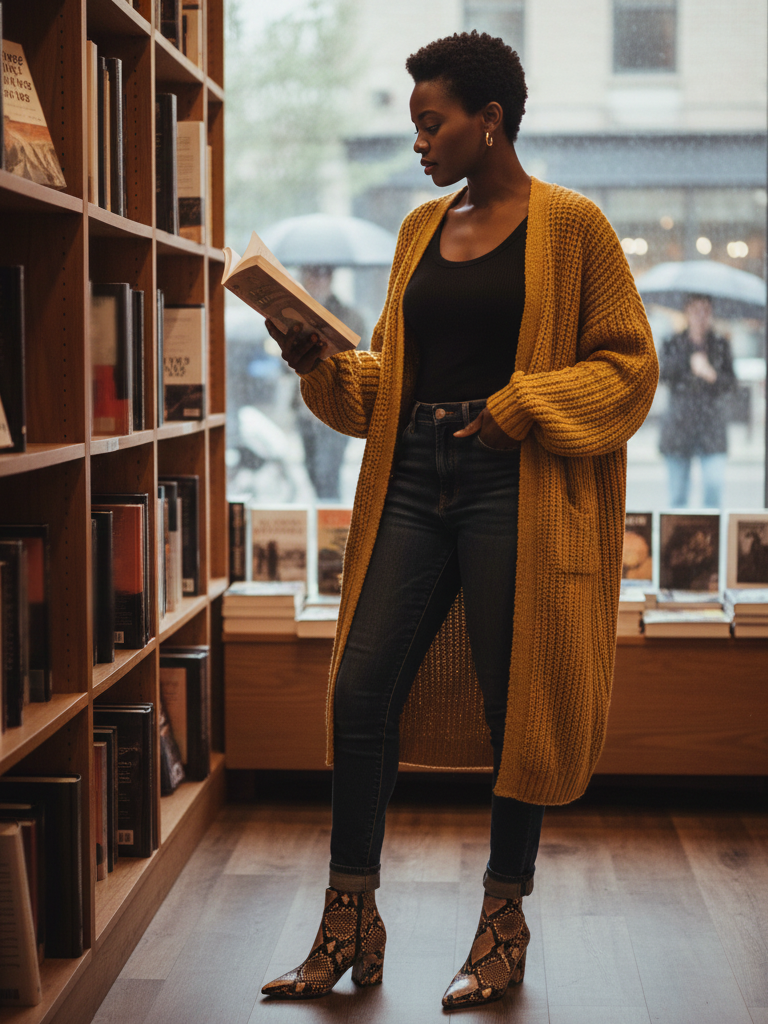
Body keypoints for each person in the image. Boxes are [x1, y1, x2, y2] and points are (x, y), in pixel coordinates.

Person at [260, 30, 658, 1010]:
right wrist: (314, 352)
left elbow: (627, 368)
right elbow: (382, 393)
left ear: (490, 121)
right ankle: (350, 920)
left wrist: (522, 405)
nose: (419, 144)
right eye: (413, 128)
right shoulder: (415, 232)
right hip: (412, 476)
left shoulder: (575, 228)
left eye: (432, 124)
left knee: (512, 707)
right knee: (360, 693)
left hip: (507, 479)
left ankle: (502, 925)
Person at [291, 266, 367, 500]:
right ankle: (325, 519)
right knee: (311, 469)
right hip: (304, 405)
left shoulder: (349, 315)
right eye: (309, 274)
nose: (314, 280)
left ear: (330, 277)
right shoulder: (297, 313)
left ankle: (329, 524)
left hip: (336, 400)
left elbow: (362, 357)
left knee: (328, 472)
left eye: (319, 275)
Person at [659, 294, 736, 508]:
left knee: (713, 489)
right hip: (679, 428)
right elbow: (662, 374)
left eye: (705, 310)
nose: (701, 316)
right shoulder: (673, 342)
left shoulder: (720, 345)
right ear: (687, 312)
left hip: (711, 428)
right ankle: (678, 541)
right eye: (696, 310)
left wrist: (711, 374)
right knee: (677, 497)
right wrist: (688, 360)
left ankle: (710, 539)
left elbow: (731, 384)